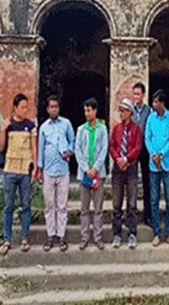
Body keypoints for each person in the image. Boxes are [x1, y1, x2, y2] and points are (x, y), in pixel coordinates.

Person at [0, 93, 38, 255]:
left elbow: (33, 147)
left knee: (26, 205)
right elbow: (1, 147)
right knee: (8, 206)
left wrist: (35, 167)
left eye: (26, 107)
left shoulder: (31, 125)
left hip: (25, 170)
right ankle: (7, 238)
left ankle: (24, 238)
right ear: (15, 108)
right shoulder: (8, 125)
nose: (25, 110)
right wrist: (2, 130)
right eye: (22, 107)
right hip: (10, 169)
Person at [36, 94, 75, 252]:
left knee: (62, 205)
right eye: (51, 107)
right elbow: (40, 149)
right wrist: (39, 170)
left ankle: (62, 236)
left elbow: (73, 141)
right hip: (48, 171)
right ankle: (50, 236)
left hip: (63, 170)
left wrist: (69, 152)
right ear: (47, 109)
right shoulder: (44, 127)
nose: (54, 109)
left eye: (56, 106)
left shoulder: (66, 124)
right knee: (49, 205)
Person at [109, 98, 143, 249]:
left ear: (130, 112)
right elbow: (112, 146)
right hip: (118, 168)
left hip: (131, 168)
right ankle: (116, 233)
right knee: (116, 203)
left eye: (123, 111)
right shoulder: (116, 129)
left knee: (132, 203)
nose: (121, 113)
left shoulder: (136, 129)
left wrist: (127, 159)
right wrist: (118, 159)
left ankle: (132, 233)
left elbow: (137, 147)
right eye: (120, 111)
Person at [145, 89, 169, 246]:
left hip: (167, 164)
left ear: (162, 103)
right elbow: (148, 137)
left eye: (156, 102)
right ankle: (156, 232)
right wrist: (153, 154)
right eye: (153, 101)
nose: (154, 104)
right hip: (153, 165)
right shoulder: (151, 118)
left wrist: (161, 155)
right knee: (154, 200)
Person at [75, 97, 108, 250]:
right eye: (85, 111)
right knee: (84, 208)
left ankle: (98, 236)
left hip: (98, 173)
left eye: (89, 110)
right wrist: (85, 168)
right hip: (84, 174)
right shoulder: (81, 129)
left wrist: (95, 168)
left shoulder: (102, 129)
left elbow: (103, 150)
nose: (86, 113)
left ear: (95, 111)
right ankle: (84, 236)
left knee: (98, 207)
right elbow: (78, 150)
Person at [130, 82, 153, 225]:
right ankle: (131, 216)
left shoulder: (149, 111)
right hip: (132, 150)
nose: (136, 97)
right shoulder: (130, 110)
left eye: (138, 94)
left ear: (143, 95)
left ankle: (147, 216)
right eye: (134, 94)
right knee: (131, 183)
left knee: (147, 184)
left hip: (145, 150)